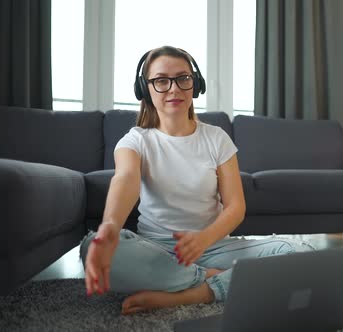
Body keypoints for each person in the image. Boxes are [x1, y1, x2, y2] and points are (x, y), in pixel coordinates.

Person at [80, 46, 314, 315]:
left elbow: (236, 207)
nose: (174, 88)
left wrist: (204, 239)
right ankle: (214, 277)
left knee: (302, 253)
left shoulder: (217, 138)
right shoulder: (135, 141)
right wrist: (109, 227)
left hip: (214, 244)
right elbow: (126, 179)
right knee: (90, 246)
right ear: (145, 89)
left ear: (195, 84)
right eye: (161, 80)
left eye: (183, 78)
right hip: (156, 250)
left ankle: (200, 292)